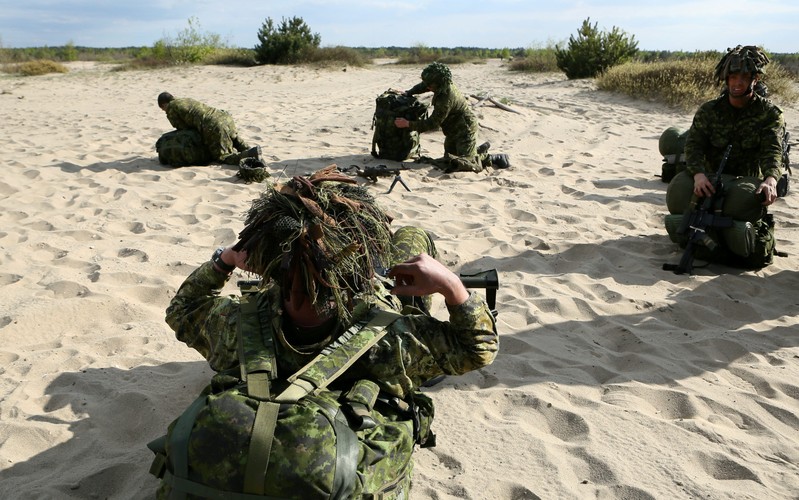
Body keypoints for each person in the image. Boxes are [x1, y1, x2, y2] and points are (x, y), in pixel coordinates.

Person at [160, 165, 499, 497]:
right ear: (360, 269)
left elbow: (183, 309)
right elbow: (477, 349)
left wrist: (224, 260)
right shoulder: (398, 341)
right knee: (413, 235)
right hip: (353, 412)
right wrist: (453, 289)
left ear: (263, 261)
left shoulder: (232, 326)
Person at [664, 45, 785, 267]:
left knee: (747, 202)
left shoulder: (769, 114)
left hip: (742, 183)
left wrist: (770, 179)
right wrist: (699, 174)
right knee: (677, 191)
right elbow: (693, 146)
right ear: (725, 78)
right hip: (707, 179)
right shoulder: (709, 110)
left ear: (755, 79)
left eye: (744, 77)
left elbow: (773, 150)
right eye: (732, 77)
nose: (737, 83)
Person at [394, 62, 510, 173]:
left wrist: (408, 124)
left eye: (430, 85)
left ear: (439, 83)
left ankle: (493, 158)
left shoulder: (446, 98)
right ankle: (476, 150)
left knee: (467, 164)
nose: (428, 87)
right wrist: (409, 92)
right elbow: (424, 86)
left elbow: (433, 123)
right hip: (452, 131)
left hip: (465, 130)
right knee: (449, 160)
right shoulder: (440, 83)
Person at [157, 91, 261, 166]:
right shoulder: (185, 100)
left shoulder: (171, 108)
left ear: (164, 104)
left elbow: (182, 128)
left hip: (213, 125)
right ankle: (251, 151)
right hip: (224, 117)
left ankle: (248, 156)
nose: (164, 111)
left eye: (162, 108)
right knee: (234, 139)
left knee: (222, 157)